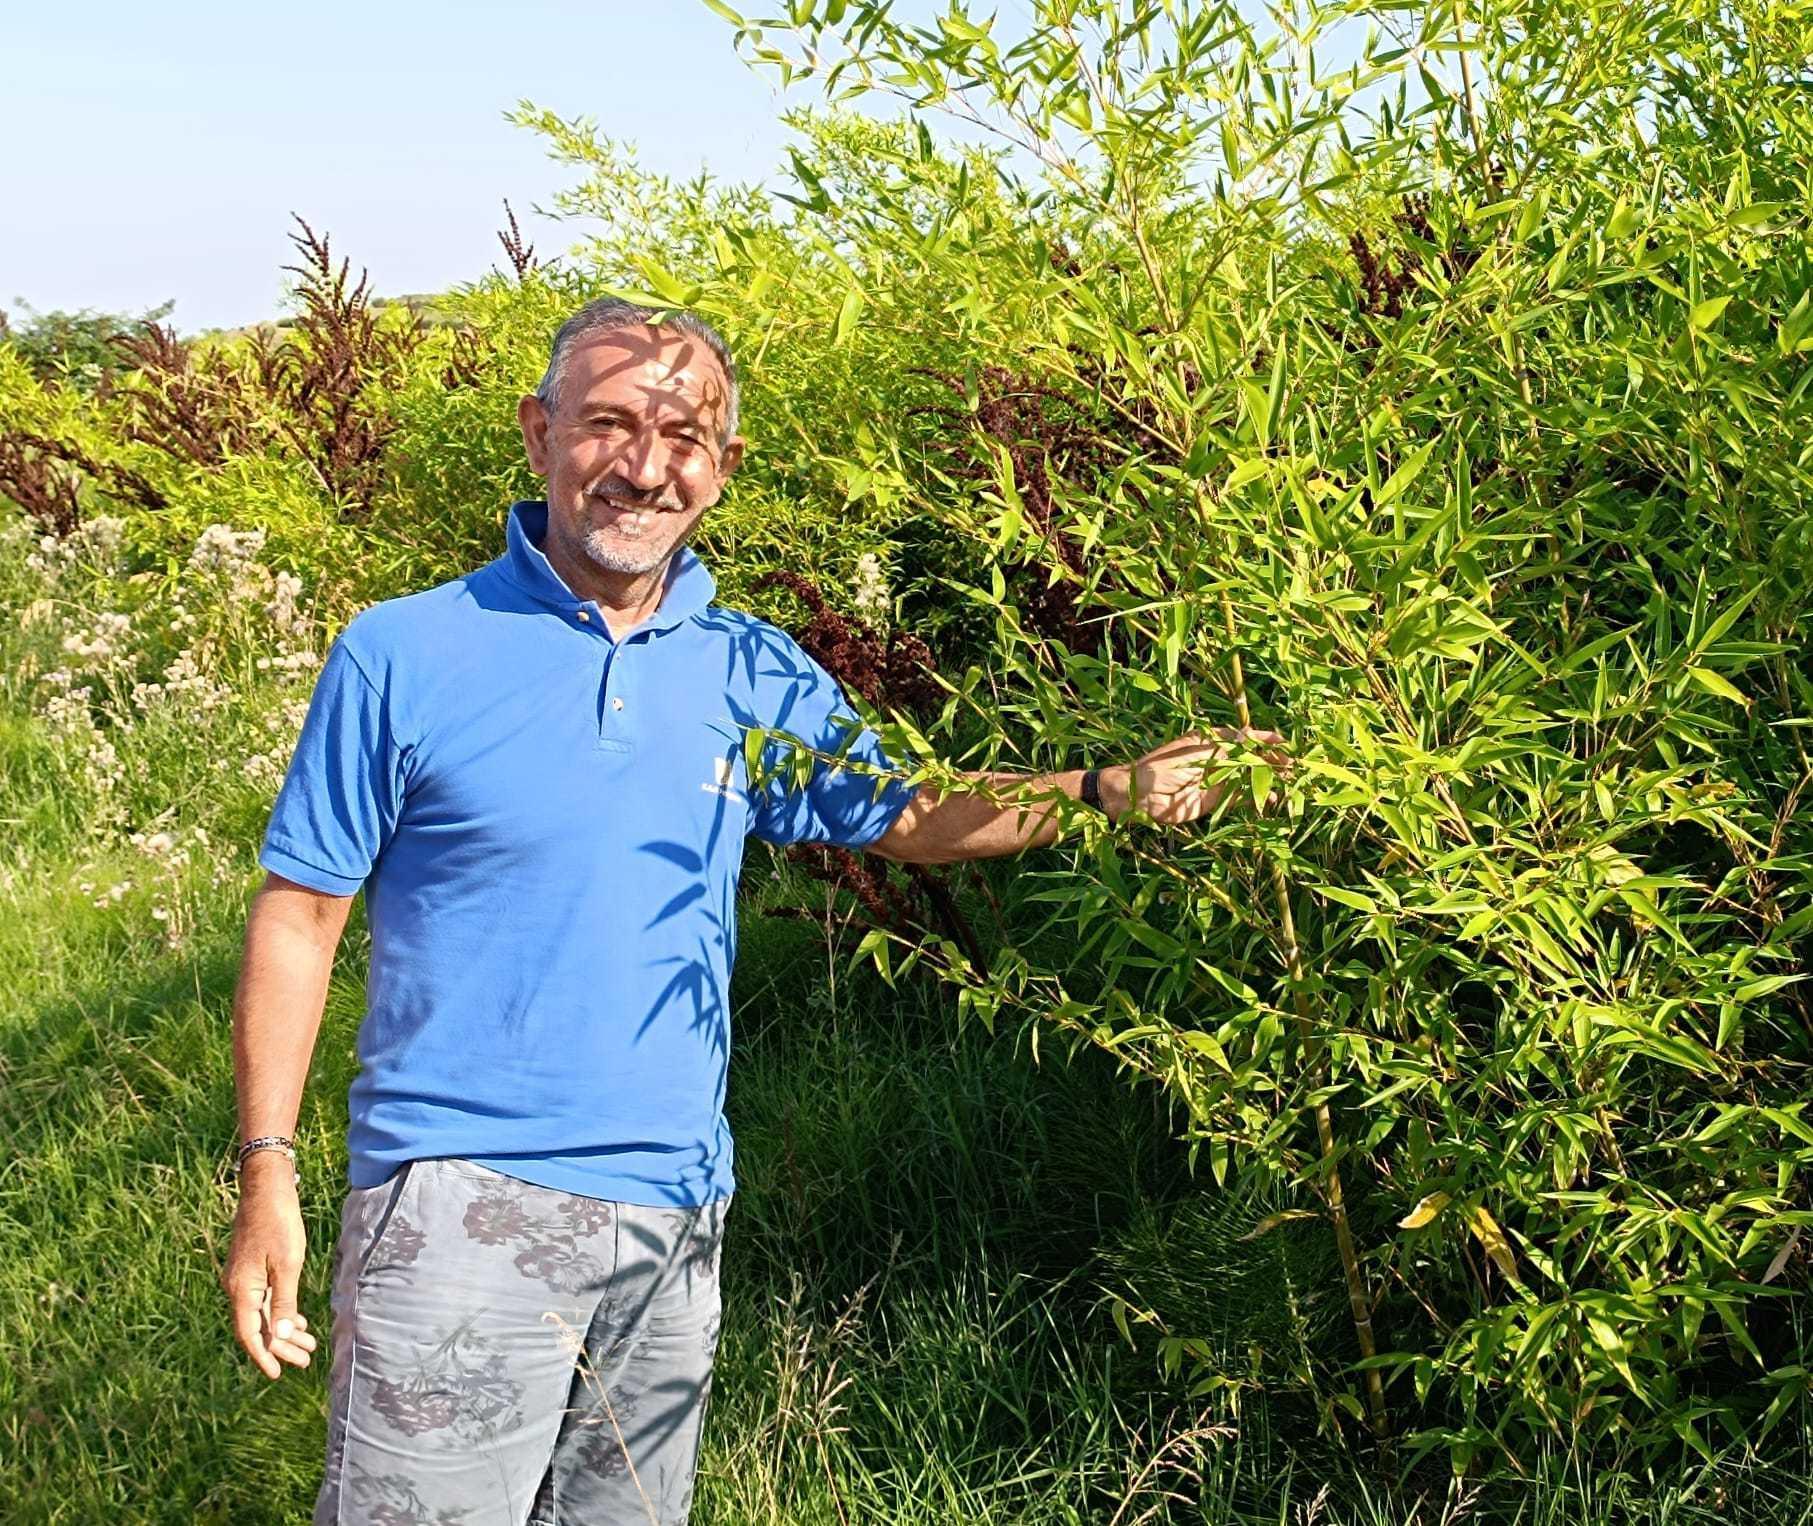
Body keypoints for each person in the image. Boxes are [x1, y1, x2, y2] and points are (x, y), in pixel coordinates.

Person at [221, 298, 1282, 1526]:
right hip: (455, 1206)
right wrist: (270, 1171)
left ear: (722, 469)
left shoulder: (749, 670)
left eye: (682, 435)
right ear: (538, 432)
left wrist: (1111, 789)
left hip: (675, 1210)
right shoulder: (404, 652)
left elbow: (910, 814)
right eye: (608, 422)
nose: (643, 464)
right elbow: (298, 916)